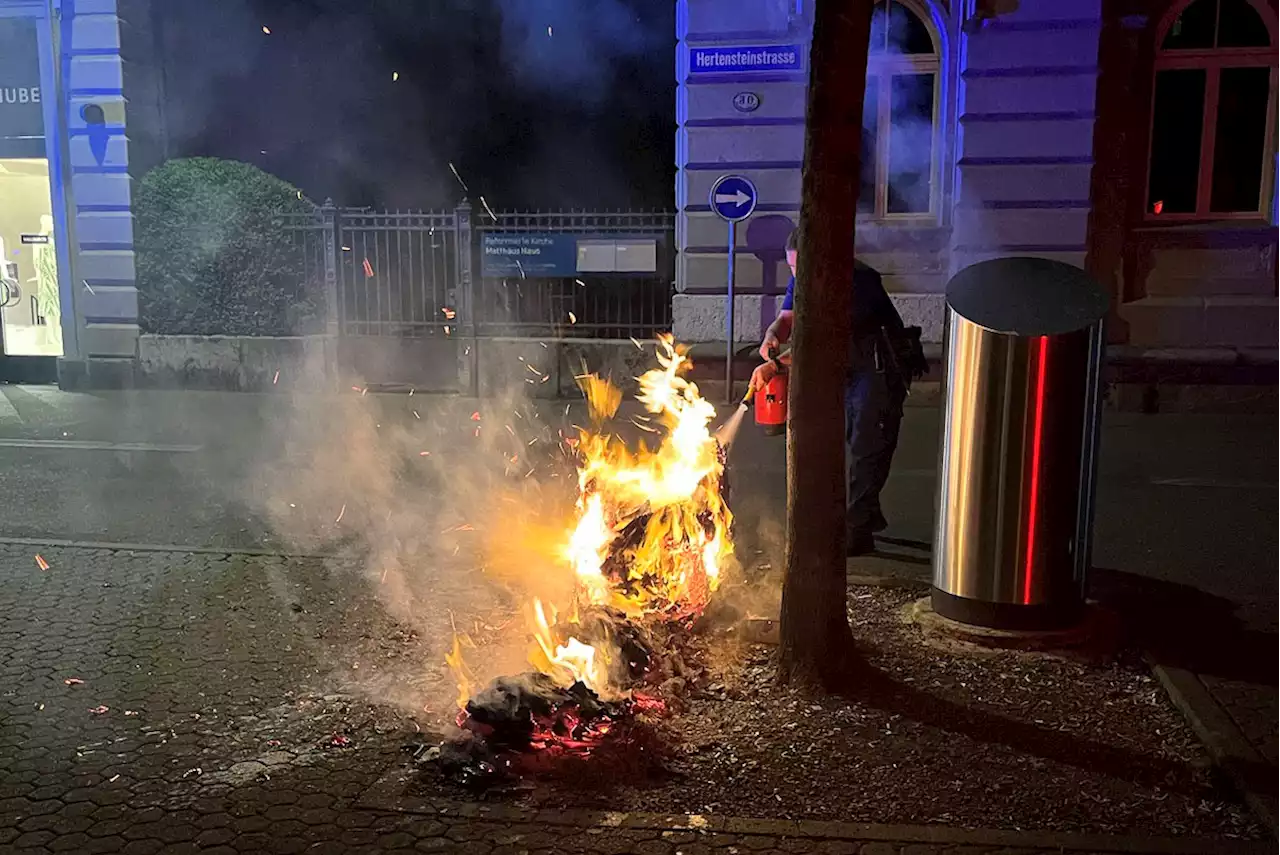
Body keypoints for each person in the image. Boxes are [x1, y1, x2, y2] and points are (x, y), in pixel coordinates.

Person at [750, 227, 910, 556]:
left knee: (866, 446)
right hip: (843, 369)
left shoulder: (856, 282)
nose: (795, 276)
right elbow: (787, 318)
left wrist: (775, 366)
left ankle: (857, 531)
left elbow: (822, 341)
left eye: (800, 269)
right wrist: (772, 335)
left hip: (875, 369)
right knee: (829, 442)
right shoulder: (804, 275)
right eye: (791, 268)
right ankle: (847, 519)